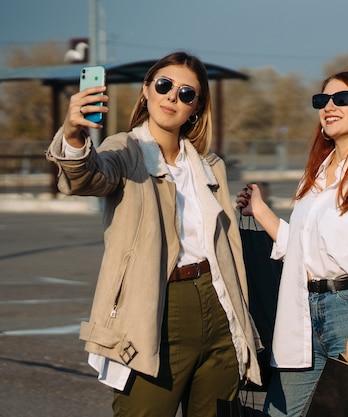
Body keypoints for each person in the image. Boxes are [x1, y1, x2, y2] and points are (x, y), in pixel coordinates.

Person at [45, 51, 261, 417]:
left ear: (196, 108)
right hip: (157, 310)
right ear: (146, 91)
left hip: (219, 304)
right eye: (164, 85)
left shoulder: (209, 167)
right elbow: (88, 176)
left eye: (186, 93)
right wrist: (73, 132)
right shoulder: (126, 150)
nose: (172, 96)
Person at [236, 71, 348, 417]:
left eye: (341, 99)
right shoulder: (313, 176)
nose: (329, 106)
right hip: (302, 311)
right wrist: (261, 211)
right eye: (321, 100)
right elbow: (301, 250)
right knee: (280, 413)